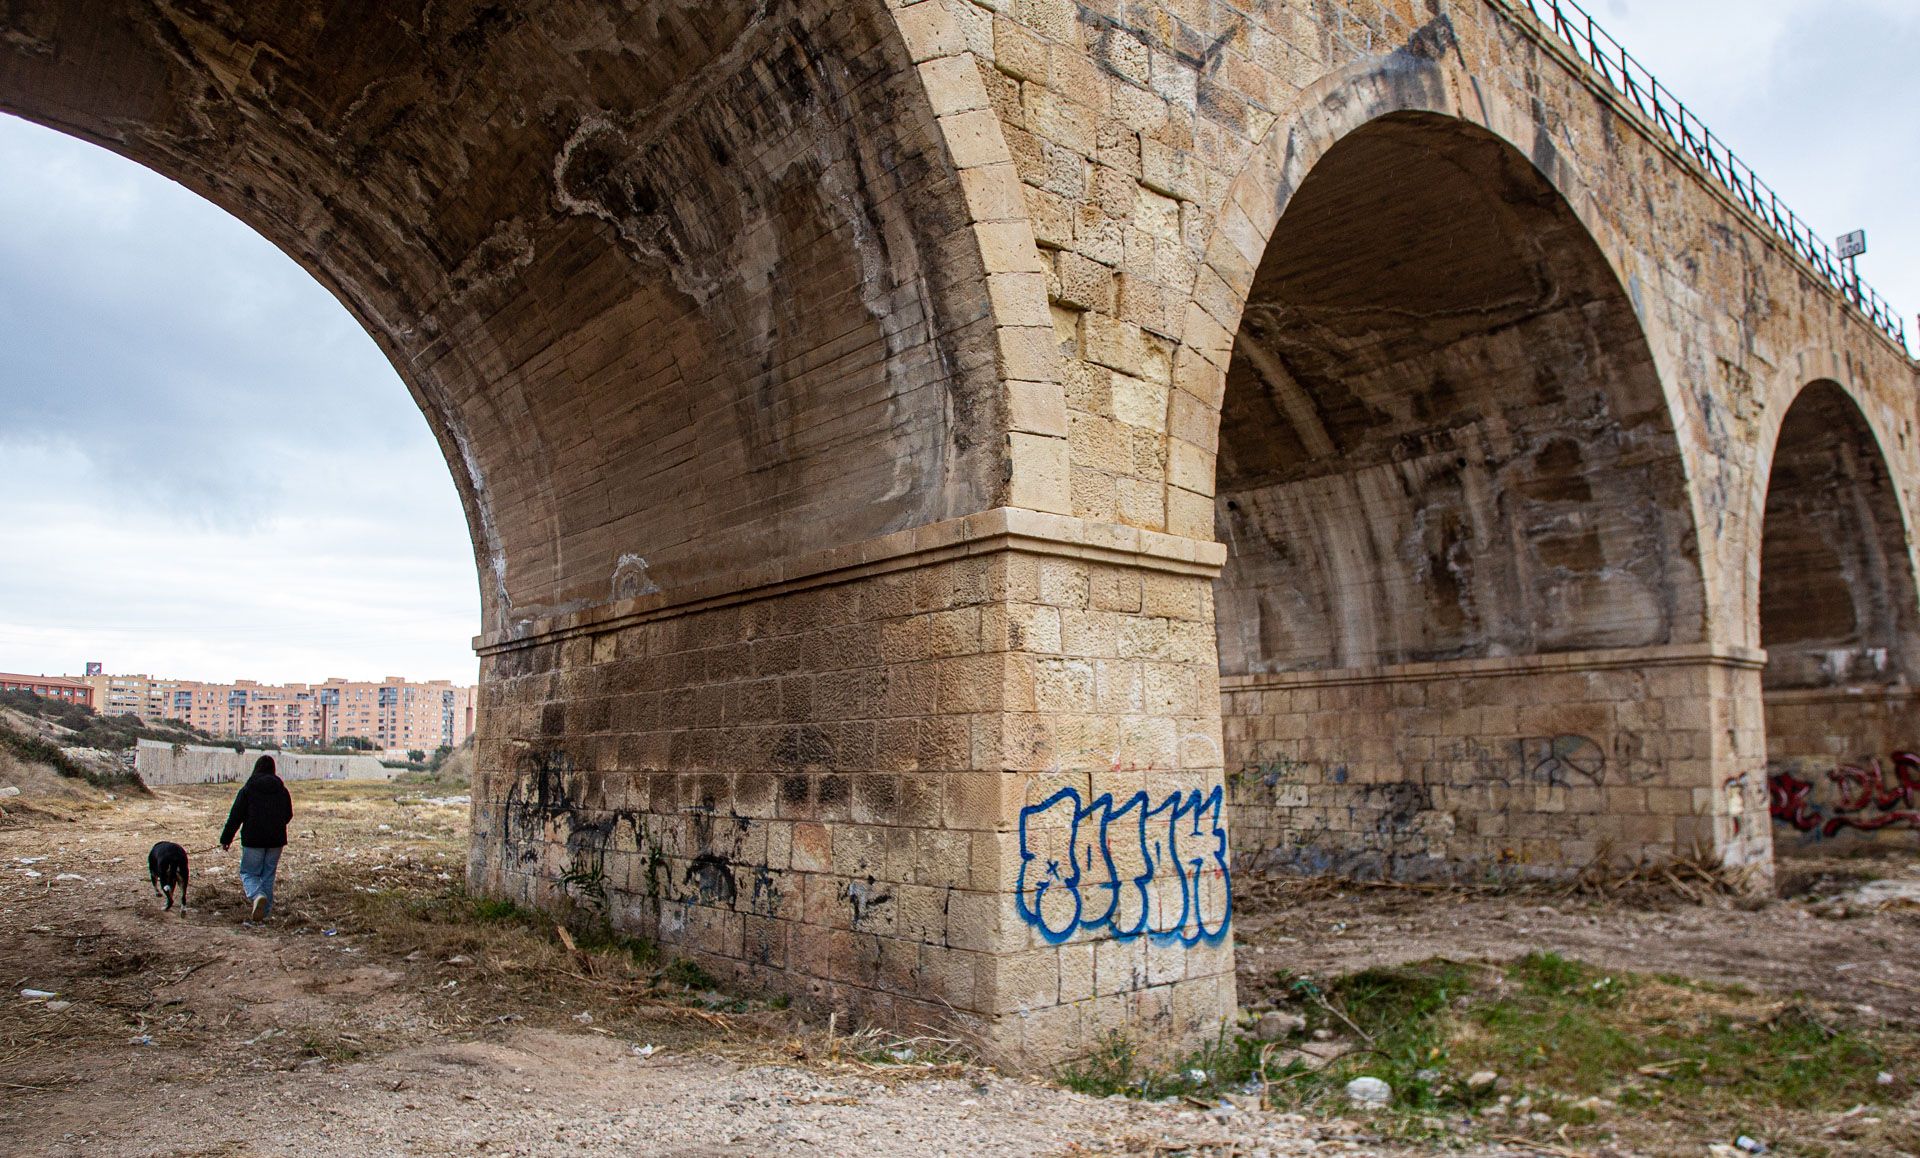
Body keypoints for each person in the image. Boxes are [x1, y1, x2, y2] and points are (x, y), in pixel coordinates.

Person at [220, 754, 294, 923]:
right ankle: (265, 913)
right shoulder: (282, 790)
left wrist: (226, 838)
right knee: (268, 875)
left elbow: (235, 816)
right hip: (276, 840)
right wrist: (276, 826)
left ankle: (257, 895)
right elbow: (288, 814)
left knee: (248, 872)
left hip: (253, 840)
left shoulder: (248, 789)